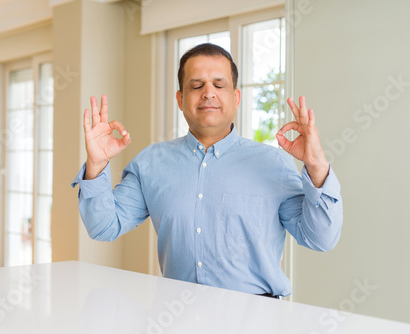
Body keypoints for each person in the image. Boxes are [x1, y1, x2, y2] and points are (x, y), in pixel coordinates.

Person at [71, 43, 342, 298]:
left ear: (236, 97)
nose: (208, 93)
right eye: (196, 85)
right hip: (175, 317)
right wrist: (96, 164)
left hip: (255, 320)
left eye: (219, 84)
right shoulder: (150, 163)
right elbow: (104, 227)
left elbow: (320, 238)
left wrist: (316, 166)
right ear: (180, 99)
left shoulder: (274, 164)